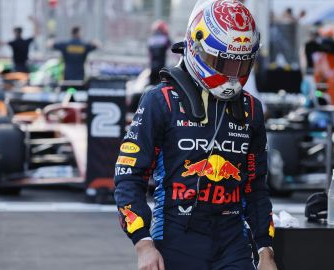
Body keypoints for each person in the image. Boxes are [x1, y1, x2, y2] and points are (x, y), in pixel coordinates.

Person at [114, 1, 276, 269]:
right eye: (221, 62)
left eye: (241, 64)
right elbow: (129, 176)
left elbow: (256, 187)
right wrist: (143, 244)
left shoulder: (251, 109)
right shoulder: (159, 101)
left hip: (233, 242)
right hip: (177, 238)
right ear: (196, 47)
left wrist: (265, 251)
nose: (232, 75)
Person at [148, 20, 172, 86]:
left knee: (151, 87)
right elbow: (172, 52)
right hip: (161, 68)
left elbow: (149, 55)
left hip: (152, 68)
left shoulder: (151, 39)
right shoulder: (166, 39)